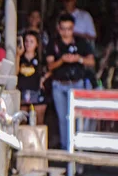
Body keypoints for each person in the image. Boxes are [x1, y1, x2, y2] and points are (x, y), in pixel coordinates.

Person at [46, 13, 95, 150]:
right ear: (59, 28)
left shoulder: (81, 42)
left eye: (69, 29)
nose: (66, 32)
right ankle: (65, 148)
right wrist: (62, 60)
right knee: (63, 119)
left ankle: (78, 148)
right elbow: (50, 66)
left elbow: (91, 62)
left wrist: (78, 59)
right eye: (63, 29)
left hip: (77, 84)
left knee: (77, 118)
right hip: (59, 85)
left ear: (73, 28)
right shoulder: (53, 43)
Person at [16, 31, 46, 125]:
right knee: (22, 120)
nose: (28, 44)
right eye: (26, 41)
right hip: (22, 91)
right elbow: (15, 73)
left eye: (31, 41)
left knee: (38, 121)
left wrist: (43, 79)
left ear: (37, 44)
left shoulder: (41, 58)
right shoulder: (19, 57)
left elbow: (50, 70)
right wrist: (18, 55)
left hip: (37, 90)